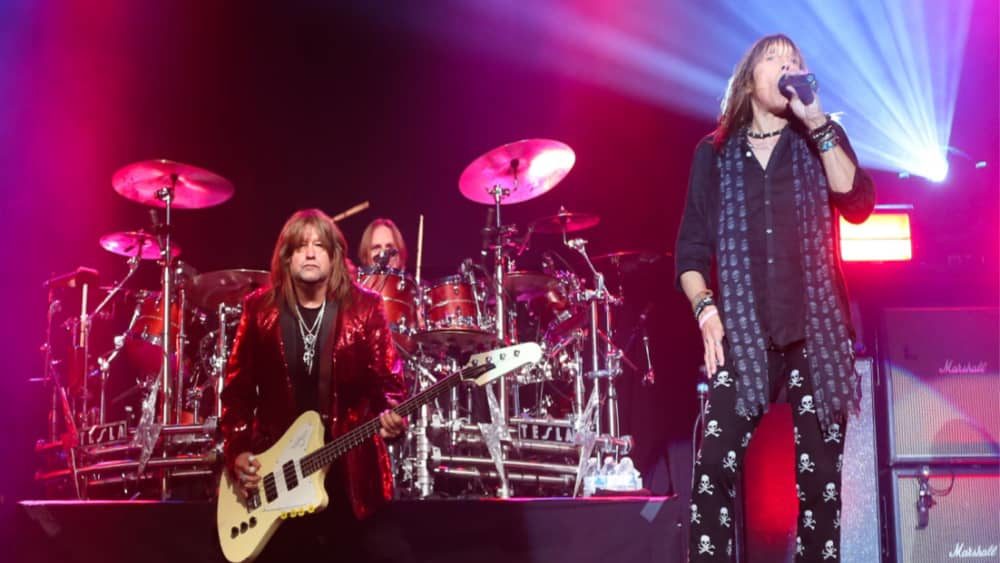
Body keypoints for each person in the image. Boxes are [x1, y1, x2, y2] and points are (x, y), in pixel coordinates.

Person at [674, 34, 875, 562]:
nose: (788, 65)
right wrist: (706, 310)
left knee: (820, 487)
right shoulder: (714, 154)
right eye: (775, 58)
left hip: (816, 334)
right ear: (749, 80)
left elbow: (857, 203)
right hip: (745, 335)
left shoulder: (820, 138)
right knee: (711, 469)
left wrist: (817, 121)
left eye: (796, 60)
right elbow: (690, 253)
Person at [220, 208, 410, 562]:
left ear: (335, 255)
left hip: (350, 474)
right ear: (287, 256)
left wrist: (393, 418)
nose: (309, 253)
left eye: (319, 246)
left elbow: (391, 387)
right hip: (279, 474)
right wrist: (238, 450)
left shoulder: (365, 308)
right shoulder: (259, 310)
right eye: (300, 246)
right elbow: (237, 392)